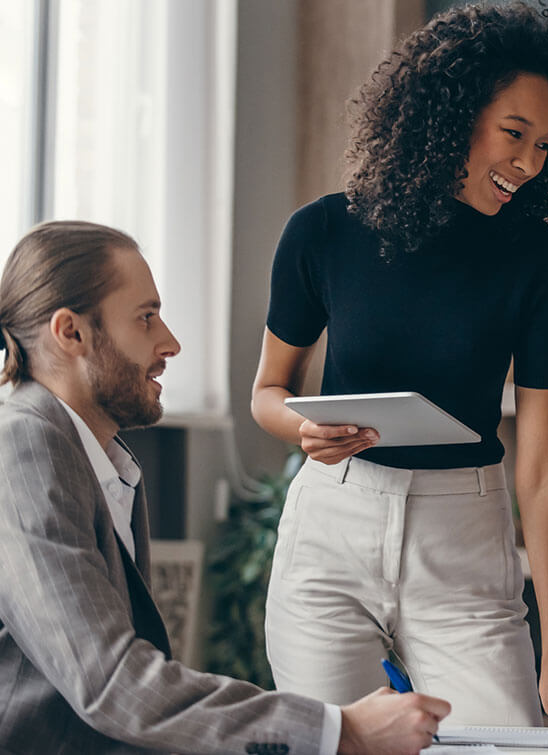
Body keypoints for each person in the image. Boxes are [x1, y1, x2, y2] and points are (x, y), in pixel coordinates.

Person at [249, 3, 548, 729]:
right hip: (332, 525)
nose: (529, 163)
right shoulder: (322, 231)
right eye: (514, 134)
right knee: (338, 743)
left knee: (507, 739)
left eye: (546, 144)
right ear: (449, 113)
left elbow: (543, 464)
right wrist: (301, 432)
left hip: (464, 538)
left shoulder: (540, 261)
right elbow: (269, 391)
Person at [0, 221, 449, 754]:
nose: (170, 342)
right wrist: (341, 731)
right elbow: (110, 683)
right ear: (70, 332)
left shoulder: (99, 459)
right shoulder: (23, 447)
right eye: (146, 318)